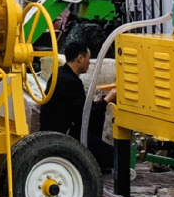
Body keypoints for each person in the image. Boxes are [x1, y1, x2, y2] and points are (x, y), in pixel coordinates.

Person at [37, 30, 115, 170]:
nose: (89, 64)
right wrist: (108, 99)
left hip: (61, 131)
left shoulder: (60, 74)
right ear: (80, 58)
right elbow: (86, 115)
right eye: (88, 59)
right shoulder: (69, 81)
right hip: (64, 137)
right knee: (115, 157)